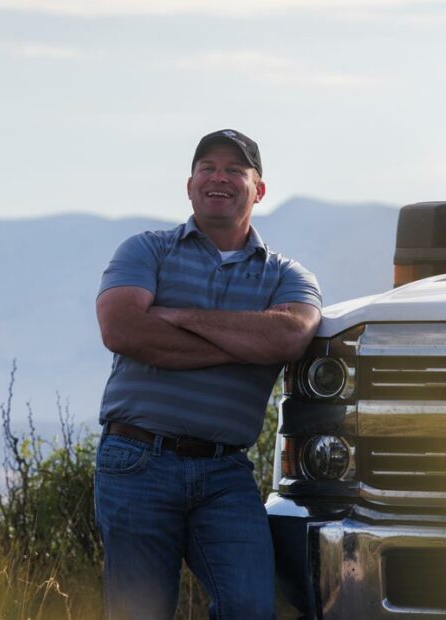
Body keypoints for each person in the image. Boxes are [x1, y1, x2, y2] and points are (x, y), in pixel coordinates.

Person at [94, 129, 321, 619]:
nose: (219, 178)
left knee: (251, 607)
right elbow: (121, 329)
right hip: (136, 459)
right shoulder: (146, 250)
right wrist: (241, 345)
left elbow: (287, 338)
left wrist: (180, 317)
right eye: (208, 168)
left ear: (258, 189)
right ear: (190, 183)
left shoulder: (288, 275)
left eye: (234, 170)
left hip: (225, 472)